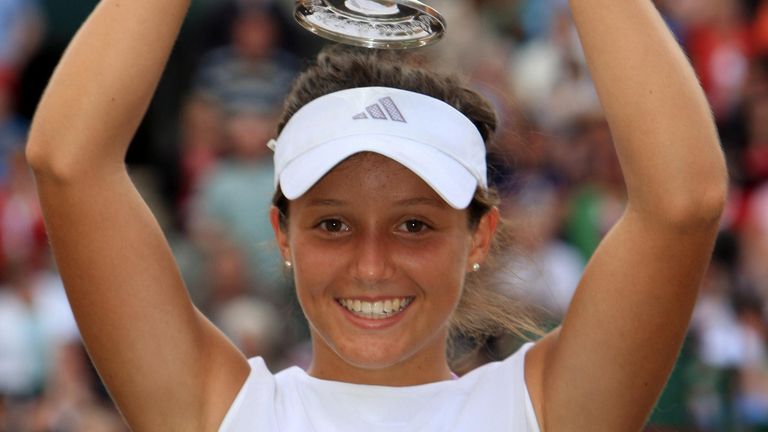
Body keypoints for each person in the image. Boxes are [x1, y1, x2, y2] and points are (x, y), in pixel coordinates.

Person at [25, 0, 727, 431]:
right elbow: (68, 163)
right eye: (332, 223)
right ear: (283, 234)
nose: (370, 264)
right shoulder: (222, 411)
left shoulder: (541, 412)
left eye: (414, 224)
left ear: (479, 234)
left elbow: (682, 202)